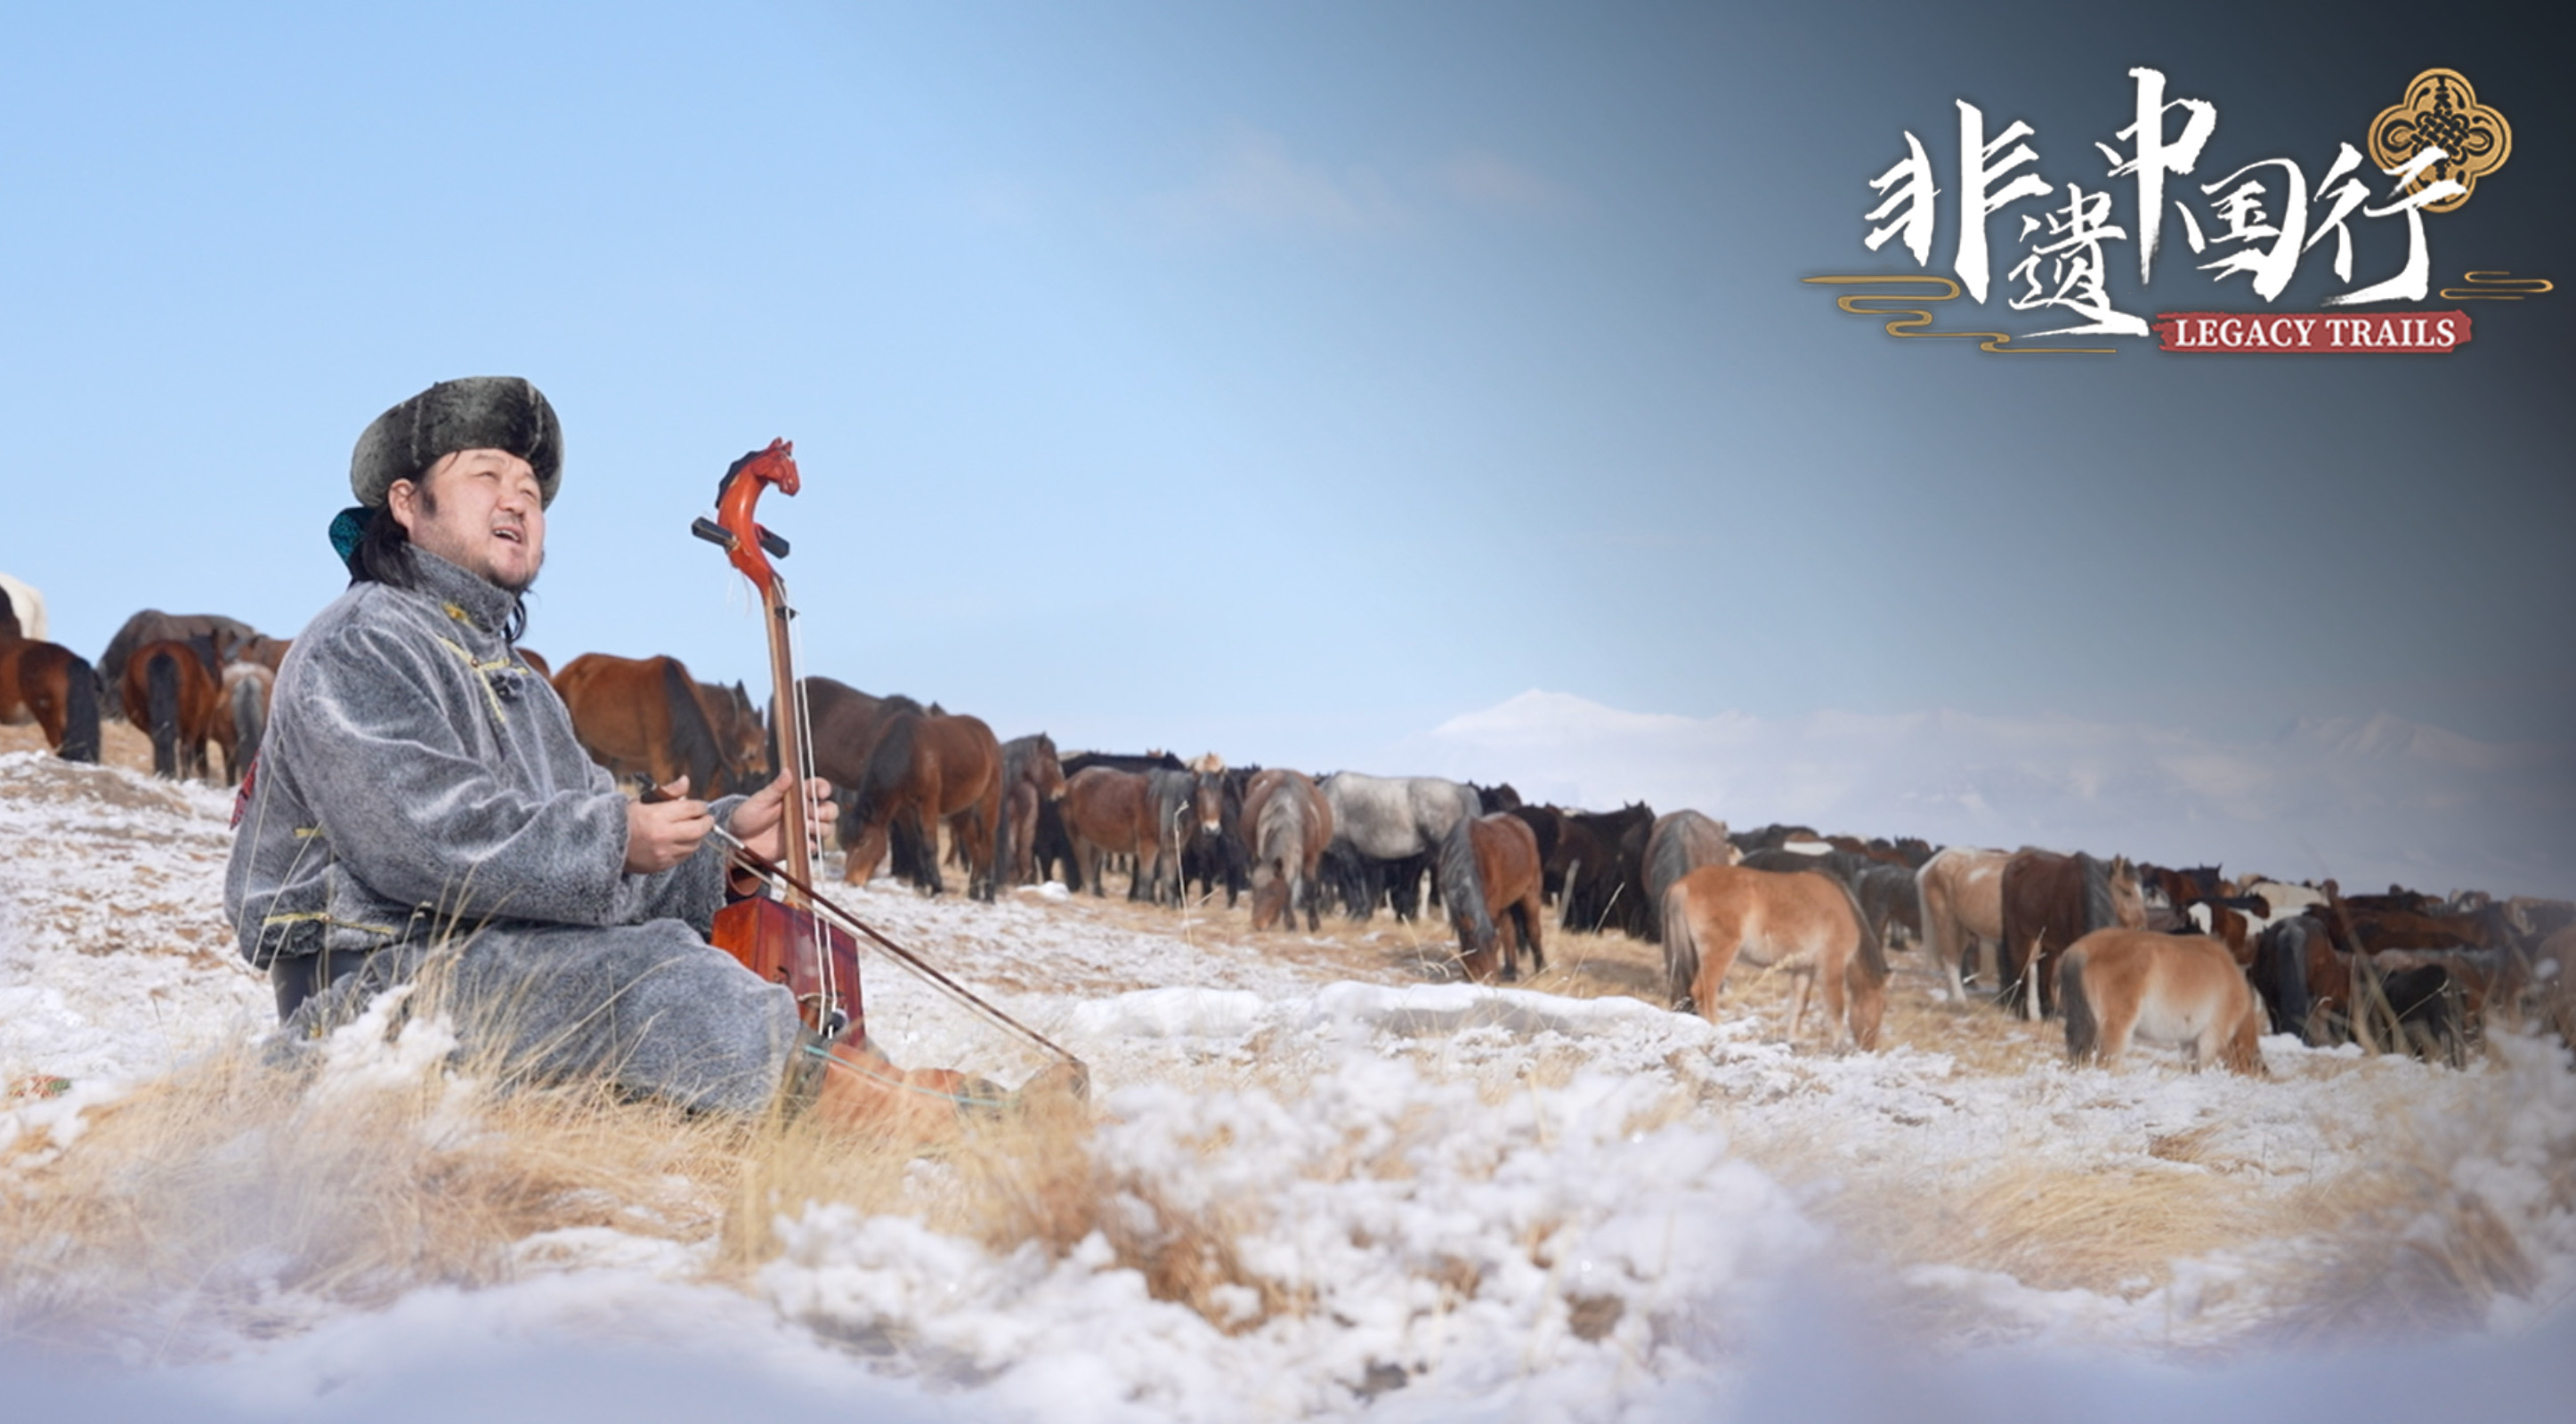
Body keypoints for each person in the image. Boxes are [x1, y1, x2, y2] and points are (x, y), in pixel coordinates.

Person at [224, 376, 1005, 1134]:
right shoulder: (363, 643)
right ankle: (900, 1118)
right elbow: (429, 842)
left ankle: (887, 1104)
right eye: (486, 476)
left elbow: (601, 877)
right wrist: (617, 839)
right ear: (405, 503)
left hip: (498, 962)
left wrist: (726, 848)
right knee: (658, 977)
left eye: (531, 491)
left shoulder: (521, 688)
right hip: (373, 990)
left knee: (669, 953)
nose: (516, 502)